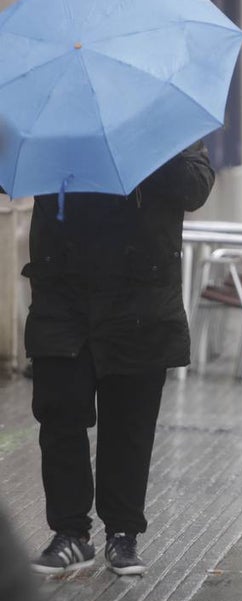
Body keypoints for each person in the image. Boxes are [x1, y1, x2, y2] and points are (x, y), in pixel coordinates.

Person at [20, 143, 214, 576]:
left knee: (128, 424)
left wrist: (144, 151)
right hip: (63, 295)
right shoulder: (57, 123)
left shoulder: (165, 123)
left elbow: (196, 187)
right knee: (59, 418)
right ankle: (70, 534)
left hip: (139, 302)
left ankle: (123, 534)